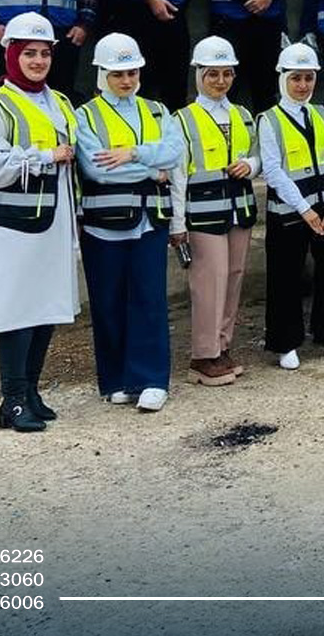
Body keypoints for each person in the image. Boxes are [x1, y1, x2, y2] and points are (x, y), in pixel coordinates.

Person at [0, 12, 80, 433]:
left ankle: (31, 391)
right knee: (16, 311)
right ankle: (12, 399)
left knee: (45, 306)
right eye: (29, 53)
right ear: (11, 54)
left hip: (53, 222)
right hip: (11, 228)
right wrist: (45, 157)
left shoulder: (61, 103)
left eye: (45, 53)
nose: (38, 61)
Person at [73, 33, 184, 413]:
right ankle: (116, 379)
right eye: (118, 73)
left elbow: (174, 153)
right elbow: (97, 169)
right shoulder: (86, 115)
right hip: (103, 222)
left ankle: (151, 379)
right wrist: (152, 171)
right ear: (102, 74)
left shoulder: (157, 110)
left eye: (132, 72)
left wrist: (134, 154)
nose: (126, 80)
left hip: (150, 220)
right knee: (108, 301)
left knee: (149, 300)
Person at [258, 42, 324, 368]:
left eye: (308, 78)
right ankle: (286, 343)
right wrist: (304, 209)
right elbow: (273, 170)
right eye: (296, 78)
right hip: (290, 213)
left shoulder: (323, 115)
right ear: (283, 78)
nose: (302, 85)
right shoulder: (269, 120)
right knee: (285, 277)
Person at [171, 37, 258, 388]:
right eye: (213, 74)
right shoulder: (183, 119)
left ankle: (222, 347)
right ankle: (203, 355)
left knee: (233, 276)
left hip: (238, 210)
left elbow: (259, 154)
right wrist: (177, 225)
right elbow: (177, 177)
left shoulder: (243, 115)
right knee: (210, 281)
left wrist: (251, 166)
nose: (220, 81)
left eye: (227, 74)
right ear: (199, 75)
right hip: (203, 215)